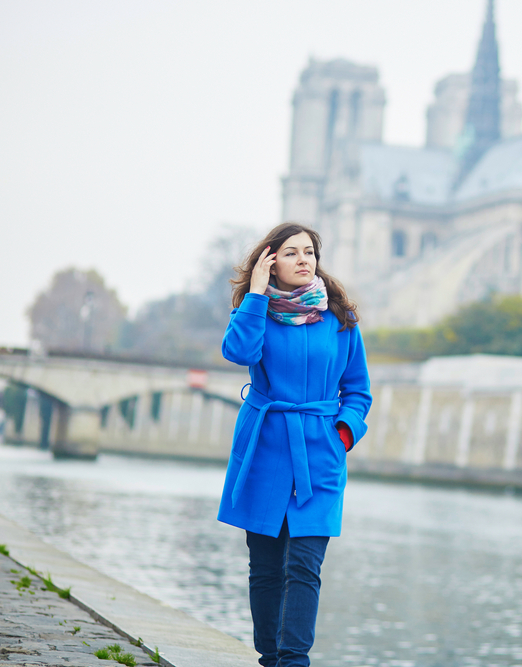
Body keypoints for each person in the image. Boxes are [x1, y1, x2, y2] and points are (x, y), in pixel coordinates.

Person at [217, 222, 371, 667]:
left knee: (304, 564)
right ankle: (270, 658)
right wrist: (257, 294)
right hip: (264, 449)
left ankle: (293, 662)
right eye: (291, 253)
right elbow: (239, 354)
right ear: (269, 262)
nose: (304, 260)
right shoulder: (255, 312)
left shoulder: (340, 319)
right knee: (265, 569)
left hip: (320, 453)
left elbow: (358, 391)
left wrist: (342, 434)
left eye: (309, 252)